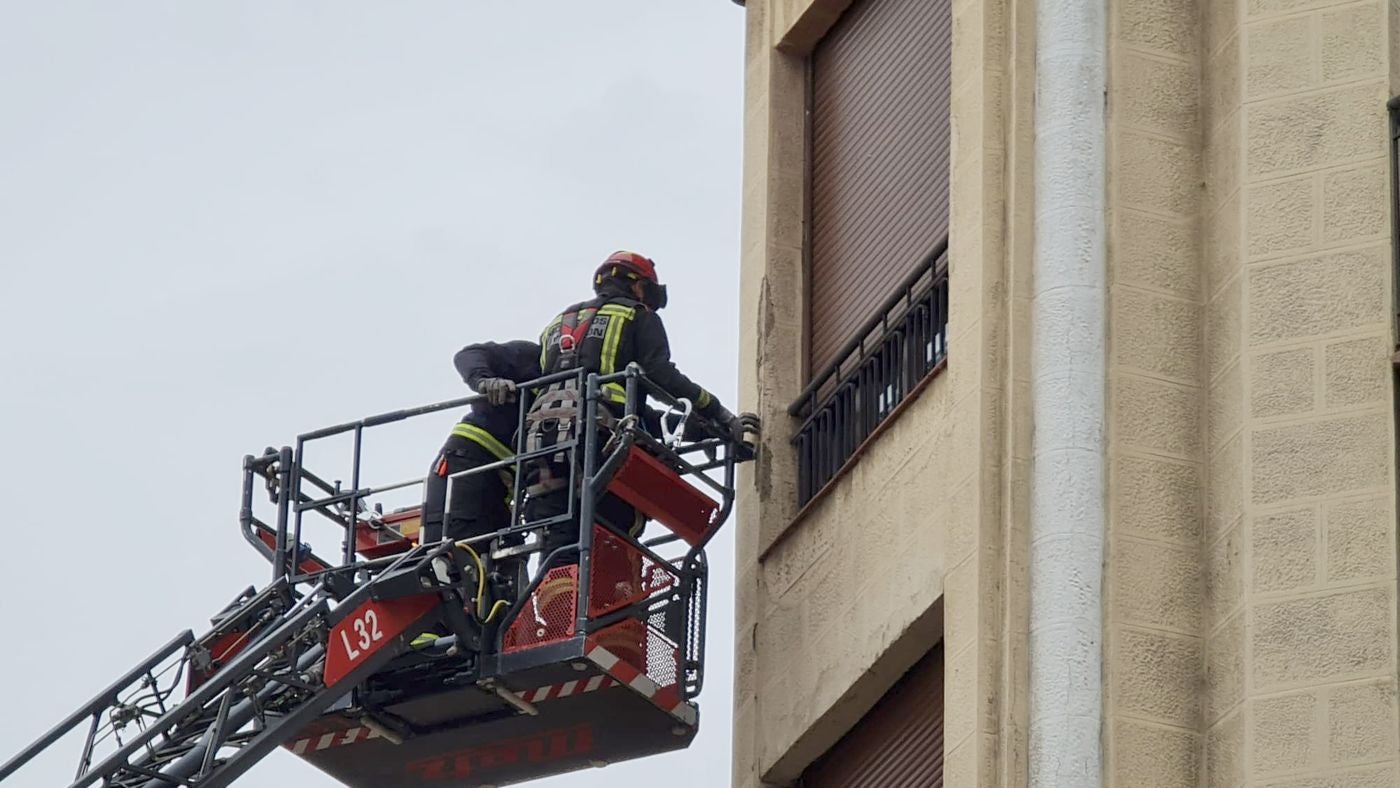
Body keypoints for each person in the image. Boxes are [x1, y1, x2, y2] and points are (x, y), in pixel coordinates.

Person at [523, 250, 746, 555]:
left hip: (542, 444)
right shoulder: (637, 314)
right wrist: (715, 411)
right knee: (613, 530)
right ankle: (612, 597)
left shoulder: (555, 325)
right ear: (638, 286)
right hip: (601, 439)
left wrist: (698, 429)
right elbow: (660, 376)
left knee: (558, 536)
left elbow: (629, 405)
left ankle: (560, 598)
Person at [420, 340, 540, 548]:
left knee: (502, 559)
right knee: (453, 553)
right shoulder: (530, 356)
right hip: (469, 457)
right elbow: (469, 355)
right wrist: (485, 381)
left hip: (504, 482)